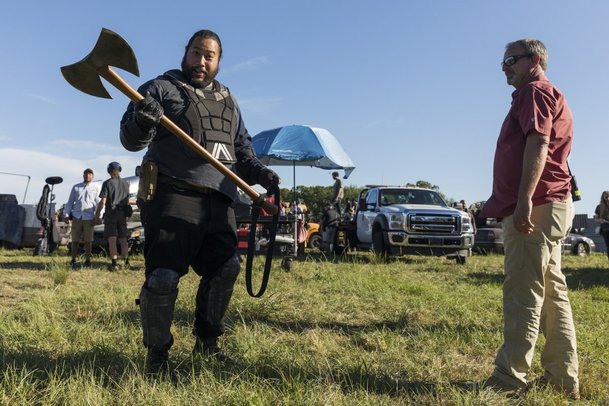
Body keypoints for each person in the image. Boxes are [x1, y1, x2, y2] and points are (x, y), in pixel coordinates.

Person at [119, 29, 280, 377]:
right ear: (186, 52)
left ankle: (208, 343)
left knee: (227, 268)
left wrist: (264, 176)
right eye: (196, 53)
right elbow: (130, 139)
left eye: (209, 56)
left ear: (219, 61)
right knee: (162, 277)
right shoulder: (161, 88)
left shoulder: (229, 100)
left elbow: (244, 154)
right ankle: (157, 358)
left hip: (221, 198)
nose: (201, 61)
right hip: (173, 194)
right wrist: (142, 119)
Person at [479, 39, 579, 399]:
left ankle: (508, 380)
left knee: (523, 291)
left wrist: (522, 200)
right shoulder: (547, 93)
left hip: (536, 205)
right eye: (503, 61)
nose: (505, 67)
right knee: (553, 293)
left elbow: (538, 142)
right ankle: (562, 379)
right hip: (552, 203)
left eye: (511, 60)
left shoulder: (534, 92)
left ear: (534, 60)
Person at [94, 162, 131, 272]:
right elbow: (127, 201)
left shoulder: (107, 183)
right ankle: (126, 262)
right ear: (119, 170)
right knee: (123, 239)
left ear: (109, 171)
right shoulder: (126, 183)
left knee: (112, 239)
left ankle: (114, 264)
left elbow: (103, 201)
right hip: (122, 214)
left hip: (111, 214)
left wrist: (97, 215)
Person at [64, 168, 100, 269]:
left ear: (92, 176)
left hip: (89, 217)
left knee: (88, 240)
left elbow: (99, 203)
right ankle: (73, 259)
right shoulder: (76, 187)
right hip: (77, 216)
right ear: (83, 175)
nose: (88, 176)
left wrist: (98, 216)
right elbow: (70, 202)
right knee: (75, 239)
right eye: (86, 174)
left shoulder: (96, 187)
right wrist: (66, 215)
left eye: (90, 174)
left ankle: (88, 260)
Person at [594, 191, 609, 261]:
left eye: (608, 196)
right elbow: (596, 219)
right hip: (605, 227)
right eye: (606, 197)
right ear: (603, 198)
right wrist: (601, 220)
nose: (608, 198)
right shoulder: (599, 207)